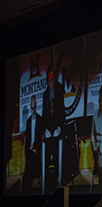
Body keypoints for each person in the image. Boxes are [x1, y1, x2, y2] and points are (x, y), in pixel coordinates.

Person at [42, 64, 65, 193]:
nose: (50, 81)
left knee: (56, 147)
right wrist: (45, 129)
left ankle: (57, 176)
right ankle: (49, 177)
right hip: (48, 128)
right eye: (48, 78)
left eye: (51, 77)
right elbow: (45, 113)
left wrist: (59, 126)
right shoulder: (45, 93)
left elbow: (61, 109)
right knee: (48, 146)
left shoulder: (59, 88)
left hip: (57, 125)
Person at [22, 95, 43, 194]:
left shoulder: (40, 119)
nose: (33, 110)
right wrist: (29, 149)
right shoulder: (28, 121)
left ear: (36, 106)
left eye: (34, 108)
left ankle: (25, 185)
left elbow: (40, 137)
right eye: (32, 107)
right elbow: (27, 139)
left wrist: (35, 147)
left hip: (37, 148)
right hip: (30, 150)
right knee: (29, 158)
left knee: (29, 164)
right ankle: (27, 185)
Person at [91, 85, 102, 186]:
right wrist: (94, 149)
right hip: (96, 148)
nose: (100, 99)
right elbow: (92, 133)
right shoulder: (95, 113)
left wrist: (99, 150)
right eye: (100, 96)